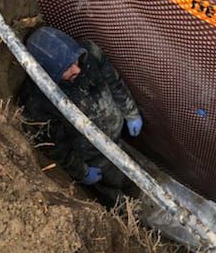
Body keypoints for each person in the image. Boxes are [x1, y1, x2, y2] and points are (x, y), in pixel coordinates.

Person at [19, 26, 143, 201]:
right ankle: (124, 203)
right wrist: (81, 171)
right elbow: (55, 146)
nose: (76, 69)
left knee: (131, 171)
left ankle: (134, 190)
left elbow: (114, 82)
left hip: (116, 135)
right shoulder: (38, 103)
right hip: (95, 156)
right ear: (47, 73)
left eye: (74, 60)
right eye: (66, 67)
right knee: (117, 181)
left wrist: (130, 113)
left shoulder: (89, 54)